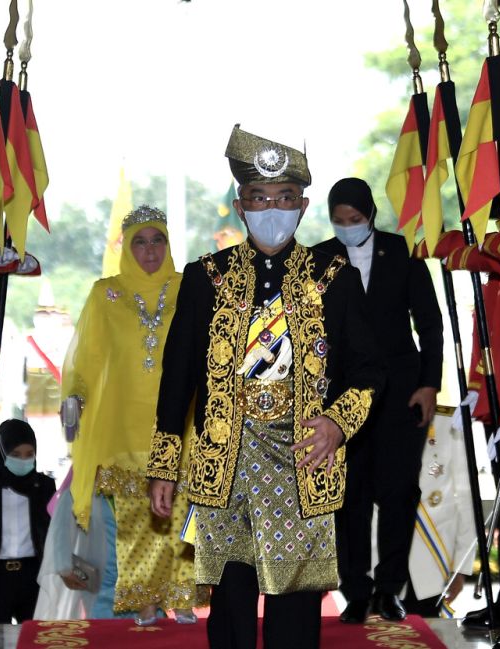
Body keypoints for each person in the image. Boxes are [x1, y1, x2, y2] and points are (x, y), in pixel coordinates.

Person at [147, 127, 382, 649]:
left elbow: (370, 372)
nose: (271, 209)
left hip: (303, 460)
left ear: (302, 207)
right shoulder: (205, 277)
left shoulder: (333, 277)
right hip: (226, 459)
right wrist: (163, 464)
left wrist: (337, 425)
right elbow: (178, 376)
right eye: (259, 198)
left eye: (284, 198)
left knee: (295, 610)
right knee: (231, 603)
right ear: (241, 205)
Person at [62, 205, 202, 624]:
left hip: (181, 422)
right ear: (126, 248)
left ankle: (183, 597)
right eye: (139, 242)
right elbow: (87, 357)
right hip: (124, 425)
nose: (150, 250)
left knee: (182, 511)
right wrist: (75, 395)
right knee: (137, 516)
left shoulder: (189, 288)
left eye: (158, 240)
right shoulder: (106, 294)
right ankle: (145, 601)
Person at [315, 177, 443, 623]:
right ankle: (355, 590)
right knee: (348, 495)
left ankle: (390, 589)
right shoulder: (318, 259)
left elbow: (429, 323)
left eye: (355, 218)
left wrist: (429, 384)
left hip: (401, 393)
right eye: (339, 220)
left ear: (370, 214)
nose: (348, 226)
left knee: (398, 492)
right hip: (343, 398)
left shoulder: (402, 252)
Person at [0, 419, 56, 623]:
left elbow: (53, 530)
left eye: (29, 454)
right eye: (16, 455)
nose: (23, 460)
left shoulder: (44, 486)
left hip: (34, 574)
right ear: (2, 453)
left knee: (35, 635)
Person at [401, 406, 476, 618]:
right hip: (378, 559)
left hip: (431, 558)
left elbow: (465, 496)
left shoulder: (447, 418)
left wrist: (460, 565)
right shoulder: (373, 408)